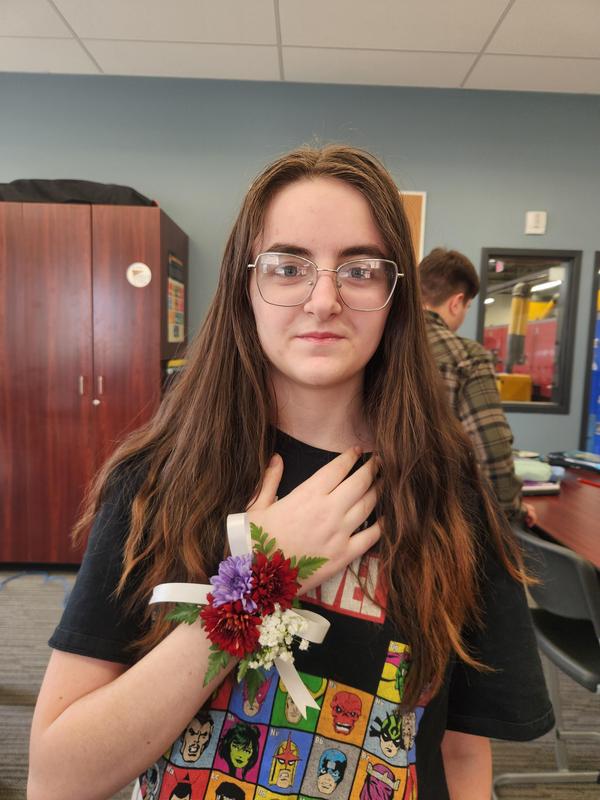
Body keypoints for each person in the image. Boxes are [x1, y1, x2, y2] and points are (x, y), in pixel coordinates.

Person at [28, 146, 553, 800]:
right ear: (248, 283)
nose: (323, 298)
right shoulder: (156, 479)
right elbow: (58, 777)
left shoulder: (448, 494)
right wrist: (257, 586)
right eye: (288, 266)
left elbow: (460, 754)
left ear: (394, 295)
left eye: (360, 269)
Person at [419, 247, 537, 525]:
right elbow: (492, 448)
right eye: (468, 307)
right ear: (457, 302)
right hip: (442, 522)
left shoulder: (377, 344)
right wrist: (512, 512)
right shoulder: (466, 358)